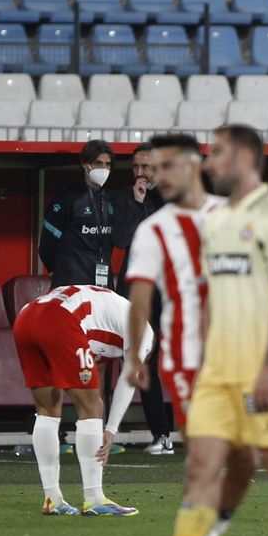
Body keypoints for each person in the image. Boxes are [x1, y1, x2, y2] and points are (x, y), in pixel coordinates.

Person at [119, 125, 268, 536]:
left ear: (244, 158)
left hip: (258, 368)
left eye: (218, 154)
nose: (211, 164)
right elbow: (211, 297)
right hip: (212, 370)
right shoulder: (213, 222)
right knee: (202, 466)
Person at [119, 134, 255, 536]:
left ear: (195, 165)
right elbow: (139, 298)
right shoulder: (152, 229)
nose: (157, 176)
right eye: (152, 169)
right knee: (205, 460)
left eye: (166, 166)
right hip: (188, 359)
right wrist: (136, 354)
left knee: (243, 461)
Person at [14, 284, 149, 516]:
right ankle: (94, 499)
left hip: (26, 317)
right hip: (61, 320)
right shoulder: (144, 332)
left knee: (47, 409)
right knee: (92, 406)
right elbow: (129, 381)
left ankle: (52, 499)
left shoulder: (111, 311)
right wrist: (111, 429)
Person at [112, 140, 174, 457]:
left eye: (146, 167)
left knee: (155, 361)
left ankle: (164, 433)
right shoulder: (125, 199)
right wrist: (136, 205)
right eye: (136, 167)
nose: (140, 173)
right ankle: (110, 431)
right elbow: (121, 239)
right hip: (130, 290)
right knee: (133, 359)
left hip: (161, 291)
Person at [39, 138, 118, 289]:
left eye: (107, 164)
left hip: (103, 285)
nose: (103, 169)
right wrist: (64, 272)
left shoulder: (111, 199)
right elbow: (46, 247)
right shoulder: (67, 199)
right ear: (84, 164)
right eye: (97, 163)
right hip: (71, 285)